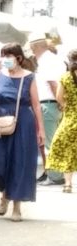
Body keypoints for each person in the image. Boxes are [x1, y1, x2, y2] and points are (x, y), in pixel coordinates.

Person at [0, 43, 44, 221]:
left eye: (9, 56)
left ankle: (16, 206)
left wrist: (41, 130)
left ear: (19, 58)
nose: (6, 60)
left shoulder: (29, 77)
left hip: (23, 122)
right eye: (4, 56)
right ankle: (4, 195)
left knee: (19, 163)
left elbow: (36, 105)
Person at [30, 35, 65, 183]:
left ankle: (54, 176)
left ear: (36, 47)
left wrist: (61, 102)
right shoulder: (53, 59)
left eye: (31, 48)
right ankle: (52, 174)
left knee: (49, 142)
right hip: (52, 104)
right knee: (51, 141)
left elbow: (53, 84)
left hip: (49, 104)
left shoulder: (46, 60)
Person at [46, 49, 77, 193]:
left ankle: (68, 184)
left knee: (67, 150)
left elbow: (58, 97)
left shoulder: (65, 77)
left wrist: (66, 106)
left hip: (70, 118)